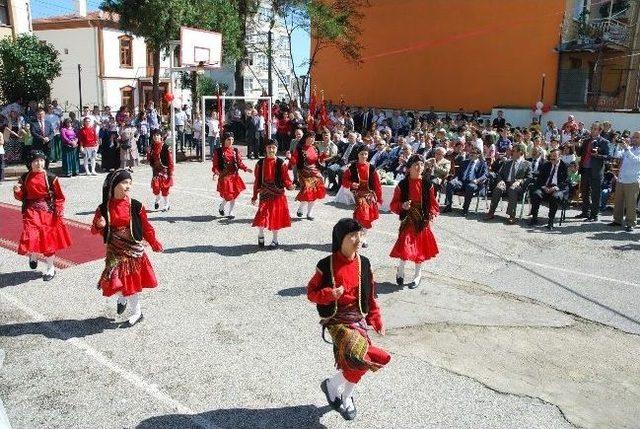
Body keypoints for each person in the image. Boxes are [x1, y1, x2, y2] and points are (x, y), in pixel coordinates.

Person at [307, 218, 390, 421]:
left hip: (358, 319)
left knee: (358, 359)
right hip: (337, 320)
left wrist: (376, 318)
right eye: (352, 235)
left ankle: (341, 390)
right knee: (358, 355)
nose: (357, 239)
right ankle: (338, 389)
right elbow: (311, 293)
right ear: (340, 239)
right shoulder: (326, 265)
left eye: (360, 234)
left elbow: (370, 295)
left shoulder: (365, 263)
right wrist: (329, 294)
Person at [91, 170, 162, 326]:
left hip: (132, 250)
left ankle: (137, 313)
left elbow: (146, 227)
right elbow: (94, 230)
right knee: (114, 279)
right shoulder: (103, 208)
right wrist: (99, 224)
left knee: (131, 282)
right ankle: (123, 297)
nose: (128, 185)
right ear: (114, 185)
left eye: (130, 182)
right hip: (114, 250)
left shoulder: (136, 206)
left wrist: (154, 242)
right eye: (125, 182)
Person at [13, 150, 72, 281]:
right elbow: (22, 197)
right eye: (35, 161)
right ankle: (33, 255)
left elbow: (59, 197)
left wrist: (59, 210)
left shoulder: (51, 177)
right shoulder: (25, 177)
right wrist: (17, 191)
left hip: (47, 212)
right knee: (31, 235)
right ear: (30, 163)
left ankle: (50, 268)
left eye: (41, 160)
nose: (39, 163)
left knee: (47, 240)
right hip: (30, 211)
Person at [389, 154, 440, 288]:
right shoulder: (402, 184)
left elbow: (434, 204)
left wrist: (432, 213)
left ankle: (417, 275)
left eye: (422, 164)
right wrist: (402, 206)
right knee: (405, 245)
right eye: (416, 164)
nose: (419, 167)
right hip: (408, 219)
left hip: (422, 221)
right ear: (409, 168)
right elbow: (393, 204)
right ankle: (400, 269)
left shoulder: (428, 184)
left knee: (419, 250)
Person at [251, 139, 295, 247]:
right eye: (269, 147)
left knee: (275, 217)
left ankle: (275, 240)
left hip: (278, 194)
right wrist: (254, 196)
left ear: (277, 149)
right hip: (265, 193)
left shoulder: (281, 163)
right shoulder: (260, 163)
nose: (271, 150)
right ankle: (260, 234)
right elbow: (257, 181)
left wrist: (290, 185)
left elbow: (286, 178)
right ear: (265, 149)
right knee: (262, 215)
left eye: (273, 147)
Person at [341, 145, 383, 244]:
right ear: (358, 155)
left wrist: (379, 200)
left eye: (365, 154)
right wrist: (351, 184)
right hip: (358, 193)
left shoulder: (372, 168)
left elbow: (377, 185)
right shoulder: (352, 167)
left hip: (369, 193)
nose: (364, 156)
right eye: (361, 154)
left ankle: (362, 237)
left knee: (366, 216)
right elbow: (344, 180)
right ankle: (359, 236)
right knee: (363, 211)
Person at [485, 143, 532, 224]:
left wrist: (520, 181)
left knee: (512, 189)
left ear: (520, 152)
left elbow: (529, 177)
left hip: (518, 186)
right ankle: (491, 212)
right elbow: (500, 174)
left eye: (513, 151)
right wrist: (501, 181)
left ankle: (511, 215)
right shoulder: (507, 162)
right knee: (498, 188)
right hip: (506, 183)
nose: (511, 152)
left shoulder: (527, 164)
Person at [575, 122, 611, 222]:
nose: (593, 130)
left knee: (596, 193)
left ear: (599, 130)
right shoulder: (586, 141)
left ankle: (594, 215)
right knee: (584, 192)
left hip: (596, 171)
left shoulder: (604, 142)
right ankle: (585, 212)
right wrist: (577, 146)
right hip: (585, 169)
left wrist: (597, 155)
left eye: (595, 129)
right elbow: (579, 153)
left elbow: (608, 157)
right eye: (592, 128)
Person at [212, 132, 252, 218]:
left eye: (232, 139)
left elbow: (239, 163)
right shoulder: (218, 151)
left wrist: (246, 168)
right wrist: (216, 173)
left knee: (234, 195)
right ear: (224, 140)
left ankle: (230, 212)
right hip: (224, 177)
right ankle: (222, 206)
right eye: (228, 139)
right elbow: (215, 165)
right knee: (228, 195)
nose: (231, 141)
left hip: (234, 176)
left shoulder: (235, 151)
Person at [289, 129, 327, 219]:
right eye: (310, 138)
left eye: (313, 138)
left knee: (315, 193)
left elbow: (317, 161)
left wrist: (323, 156)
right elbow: (294, 160)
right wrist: (290, 157)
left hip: (315, 172)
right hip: (304, 172)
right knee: (308, 192)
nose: (312, 140)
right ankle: (301, 209)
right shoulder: (299, 149)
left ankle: (309, 213)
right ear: (305, 138)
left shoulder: (315, 148)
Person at [529, 149, 569, 229]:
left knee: (555, 197)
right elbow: (540, 178)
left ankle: (551, 221)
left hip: (558, 188)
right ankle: (534, 217)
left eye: (554, 156)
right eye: (551, 156)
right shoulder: (546, 165)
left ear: (560, 157)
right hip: (546, 187)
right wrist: (544, 187)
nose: (552, 158)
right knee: (536, 194)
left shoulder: (564, 166)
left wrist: (555, 188)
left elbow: (566, 182)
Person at [609, 131, 640, 232]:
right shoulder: (629, 148)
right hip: (622, 179)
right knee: (618, 201)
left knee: (631, 203)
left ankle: (631, 223)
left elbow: (636, 161)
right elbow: (618, 155)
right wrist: (617, 145)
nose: (634, 139)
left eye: (637, 137)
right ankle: (617, 220)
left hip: (632, 180)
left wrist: (627, 149)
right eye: (633, 137)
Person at [443, 147, 488, 215]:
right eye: (471, 152)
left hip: (473, 183)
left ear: (478, 155)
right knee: (450, 183)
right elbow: (458, 174)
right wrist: (455, 179)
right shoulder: (465, 162)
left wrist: (477, 180)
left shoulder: (482, 164)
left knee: (470, 187)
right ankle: (448, 205)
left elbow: (485, 175)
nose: (471, 154)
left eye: (473, 153)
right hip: (462, 181)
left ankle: (465, 208)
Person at [148, 129, 174, 211]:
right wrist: (148, 154)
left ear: (161, 137)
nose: (156, 137)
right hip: (156, 170)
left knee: (164, 187)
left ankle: (166, 204)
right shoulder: (151, 147)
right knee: (155, 187)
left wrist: (170, 172)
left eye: (157, 135)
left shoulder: (166, 147)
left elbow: (170, 160)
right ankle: (158, 198)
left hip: (164, 169)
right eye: (154, 135)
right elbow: (150, 159)